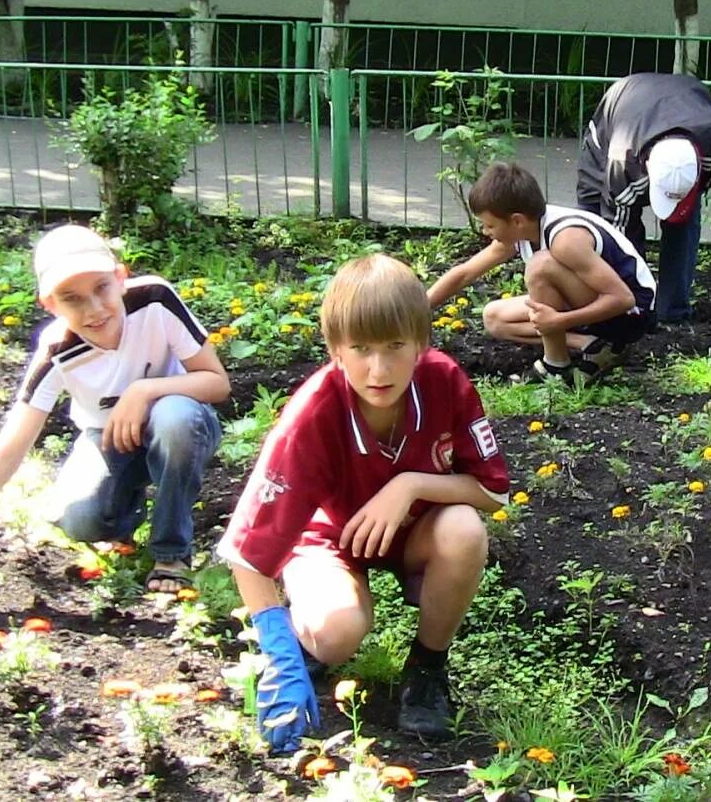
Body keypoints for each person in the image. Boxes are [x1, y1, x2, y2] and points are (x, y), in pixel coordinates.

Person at [218, 254, 509, 749]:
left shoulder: (445, 381)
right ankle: (306, 636)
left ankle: (427, 670)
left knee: (464, 529)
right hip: (331, 538)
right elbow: (247, 550)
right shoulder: (313, 413)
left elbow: (492, 490)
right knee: (337, 633)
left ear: (421, 342)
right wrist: (278, 650)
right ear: (336, 350)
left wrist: (410, 485)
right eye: (361, 348)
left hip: (417, 531)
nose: (379, 368)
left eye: (396, 345)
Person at [0, 224, 229, 594]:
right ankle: (128, 508)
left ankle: (171, 554)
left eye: (101, 288)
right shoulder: (56, 351)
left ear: (120, 277)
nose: (94, 309)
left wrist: (145, 390)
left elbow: (216, 382)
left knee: (175, 418)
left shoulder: (155, 300)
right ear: (49, 304)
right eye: (72, 298)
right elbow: (12, 444)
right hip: (108, 437)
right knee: (81, 522)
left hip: (180, 421)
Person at [429, 161, 657, 385]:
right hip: (594, 304)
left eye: (490, 225)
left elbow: (623, 299)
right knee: (494, 317)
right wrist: (414, 308)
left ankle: (555, 364)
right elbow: (465, 273)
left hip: (631, 314)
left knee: (540, 266)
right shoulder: (522, 233)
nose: (485, 231)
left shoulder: (565, 239)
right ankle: (594, 345)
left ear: (517, 220)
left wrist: (560, 321)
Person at [577, 72, 711, 324]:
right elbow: (620, 236)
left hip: (681, 106)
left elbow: (706, 183)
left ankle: (673, 311)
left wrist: (682, 203)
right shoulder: (621, 163)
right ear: (647, 168)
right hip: (621, 112)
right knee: (593, 224)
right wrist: (634, 297)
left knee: (684, 223)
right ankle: (618, 307)